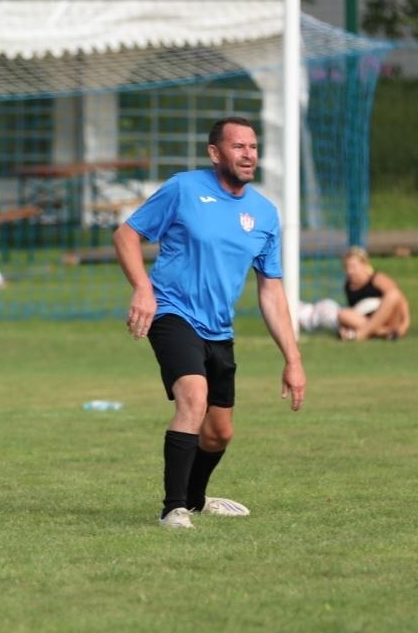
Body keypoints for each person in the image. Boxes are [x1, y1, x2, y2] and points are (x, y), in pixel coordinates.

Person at [113, 115, 306, 529]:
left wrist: (293, 358)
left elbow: (271, 291)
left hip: (219, 328)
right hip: (171, 311)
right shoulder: (184, 188)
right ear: (215, 152)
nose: (248, 154)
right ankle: (173, 508)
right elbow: (126, 235)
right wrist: (143, 289)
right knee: (193, 398)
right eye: (238, 146)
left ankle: (198, 499)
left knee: (219, 434)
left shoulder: (264, 214)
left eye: (253, 146)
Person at [336, 246, 412, 340]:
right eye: (347, 267)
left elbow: (400, 300)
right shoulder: (348, 286)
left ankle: (362, 334)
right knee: (342, 314)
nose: (350, 271)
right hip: (368, 320)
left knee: (393, 294)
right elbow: (355, 311)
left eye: (353, 267)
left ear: (364, 265)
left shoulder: (378, 279)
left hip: (390, 319)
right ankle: (383, 332)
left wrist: (404, 325)